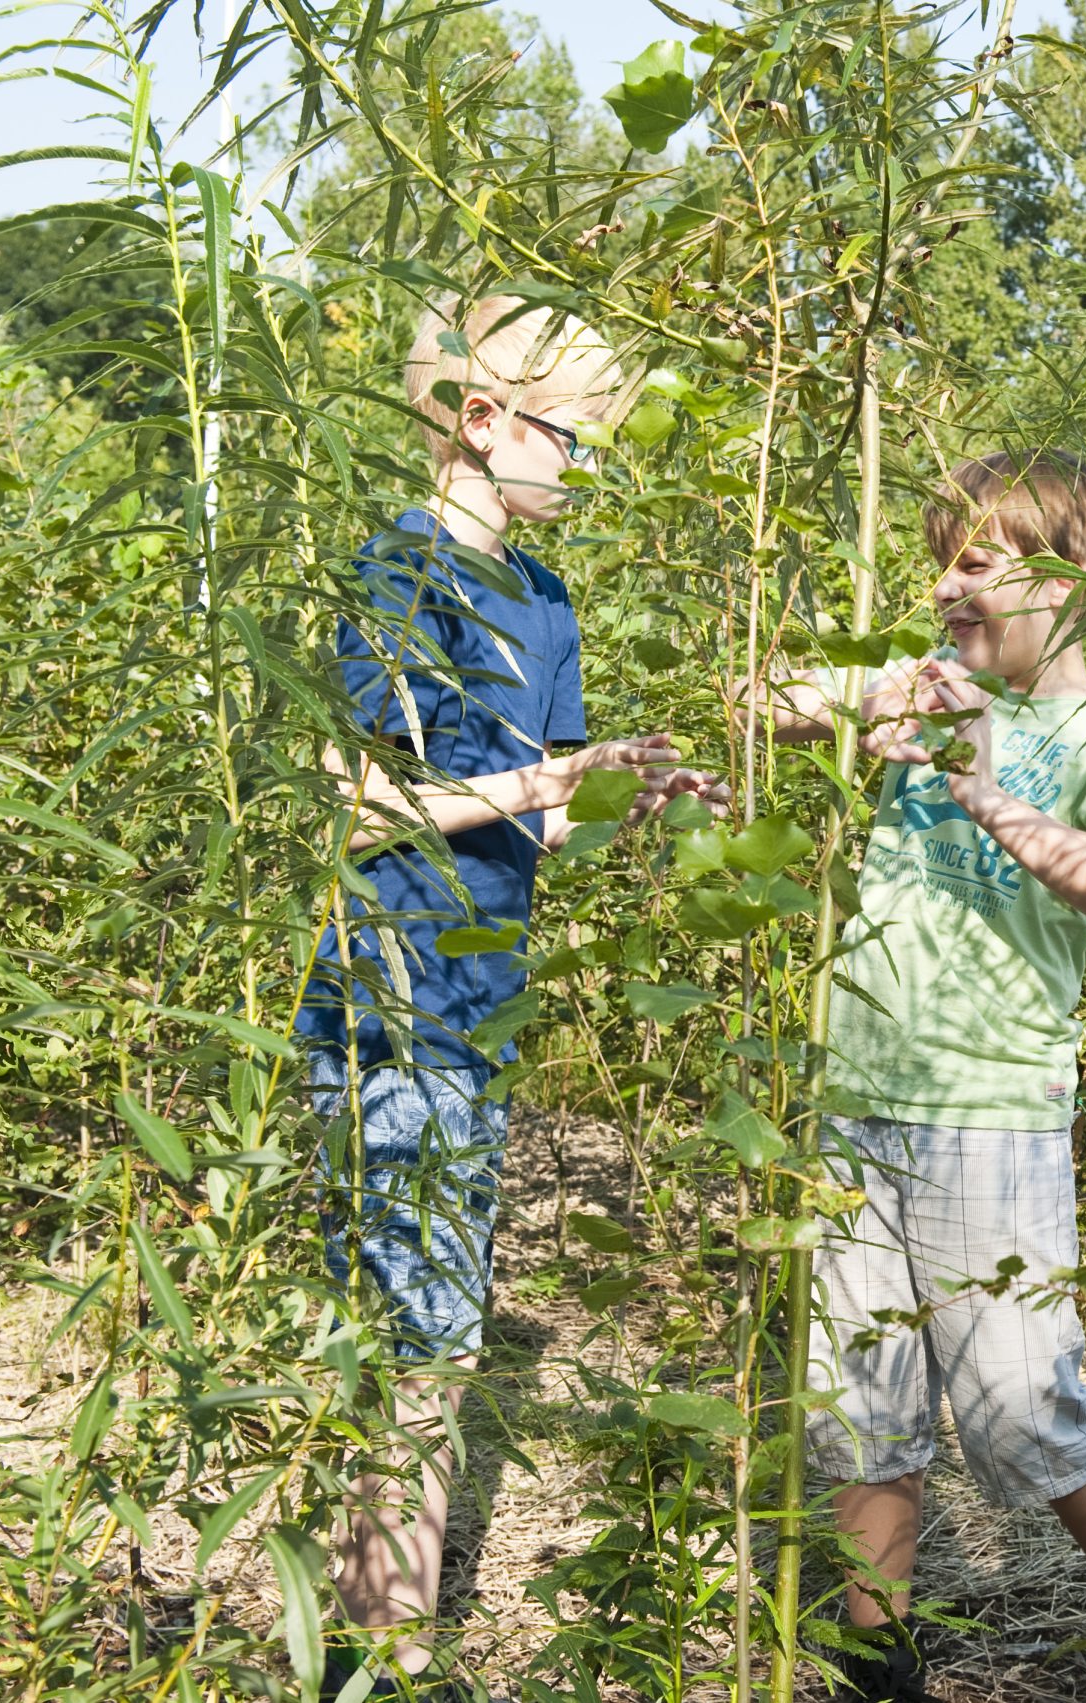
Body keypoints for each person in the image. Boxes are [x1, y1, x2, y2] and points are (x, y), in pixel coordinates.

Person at [745, 450, 1086, 1701]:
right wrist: (861, 693)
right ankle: (876, 1652)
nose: (943, 583)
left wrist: (981, 783)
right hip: (852, 1097)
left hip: (992, 1115)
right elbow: (761, 694)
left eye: (974, 560)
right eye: (937, 557)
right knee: (862, 1399)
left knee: (1019, 1401)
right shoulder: (928, 680)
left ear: (1075, 577)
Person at [299, 294, 724, 1696]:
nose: (588, 468)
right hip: (388, 996)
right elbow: (356, 805)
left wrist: (620, 792)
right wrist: (534, 780)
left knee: (437, 1337)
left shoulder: (544, 600)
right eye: (575, 439)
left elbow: (539, 825)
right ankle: (387, 1650)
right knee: (421, 1342)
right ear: (482, 422)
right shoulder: (396, 573)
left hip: (481, 1003)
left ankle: (374, 1641)